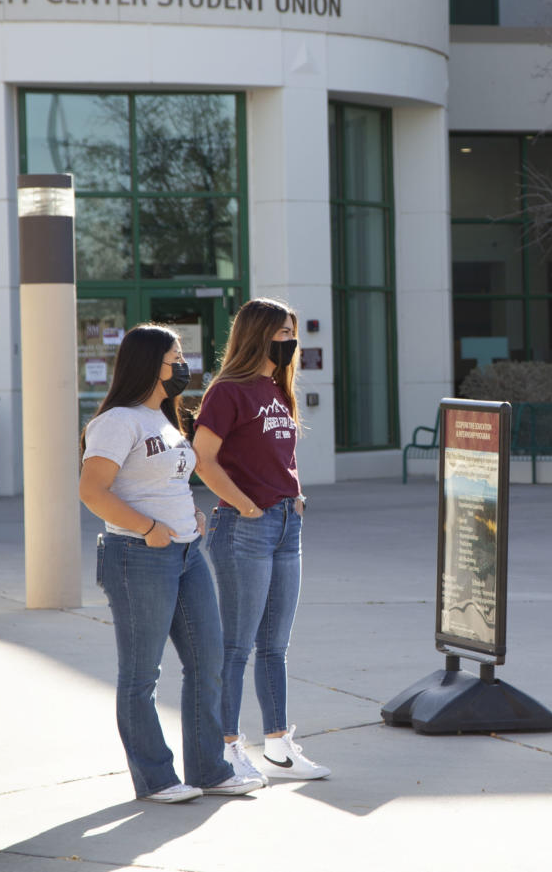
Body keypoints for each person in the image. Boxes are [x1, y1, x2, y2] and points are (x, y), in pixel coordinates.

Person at [79, 324, 265, 804]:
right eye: (176, 356)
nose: (185, 364)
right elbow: (91, 490)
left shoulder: (165, 418)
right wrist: (148, 528)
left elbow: (168, 481)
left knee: (209, 663)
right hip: (140, 557)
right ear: (149, 363)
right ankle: (156, 777)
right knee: (142, 676)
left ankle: (209, 770)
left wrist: (190, 514)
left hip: (186, 553)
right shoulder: (119, 421)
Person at [193, 298, 330, 782]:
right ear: (258, 335)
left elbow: (276, 458)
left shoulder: (277, 388)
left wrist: (292, 499)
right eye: (282, 333)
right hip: (245, 526)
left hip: (285, 523)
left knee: (275, 645)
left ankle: (278, 745)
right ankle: (226, 748)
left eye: (293, 332)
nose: (290, 341)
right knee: (237, 644)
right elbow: (203, 458)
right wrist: (247, 505)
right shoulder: (228, 391)